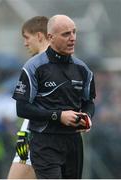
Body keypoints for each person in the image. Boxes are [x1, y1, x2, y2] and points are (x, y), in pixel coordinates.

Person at [12, 14, 96, 179]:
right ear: (49, 37)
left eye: (74, 32)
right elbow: (21, 109)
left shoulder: (83, 69)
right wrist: (58, 116)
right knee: (14, 178)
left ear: (39, 36)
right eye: (66, 34)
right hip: (41, 141)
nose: (72, 38)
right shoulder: (34, 66)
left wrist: (87, 117)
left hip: (73, 143)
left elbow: (89, 103)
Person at [7, 16, 49, 179]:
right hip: (27, 134)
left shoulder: (38, 64)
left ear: (39, 36)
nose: (25, 43)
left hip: (32, 135)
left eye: (26, 37)